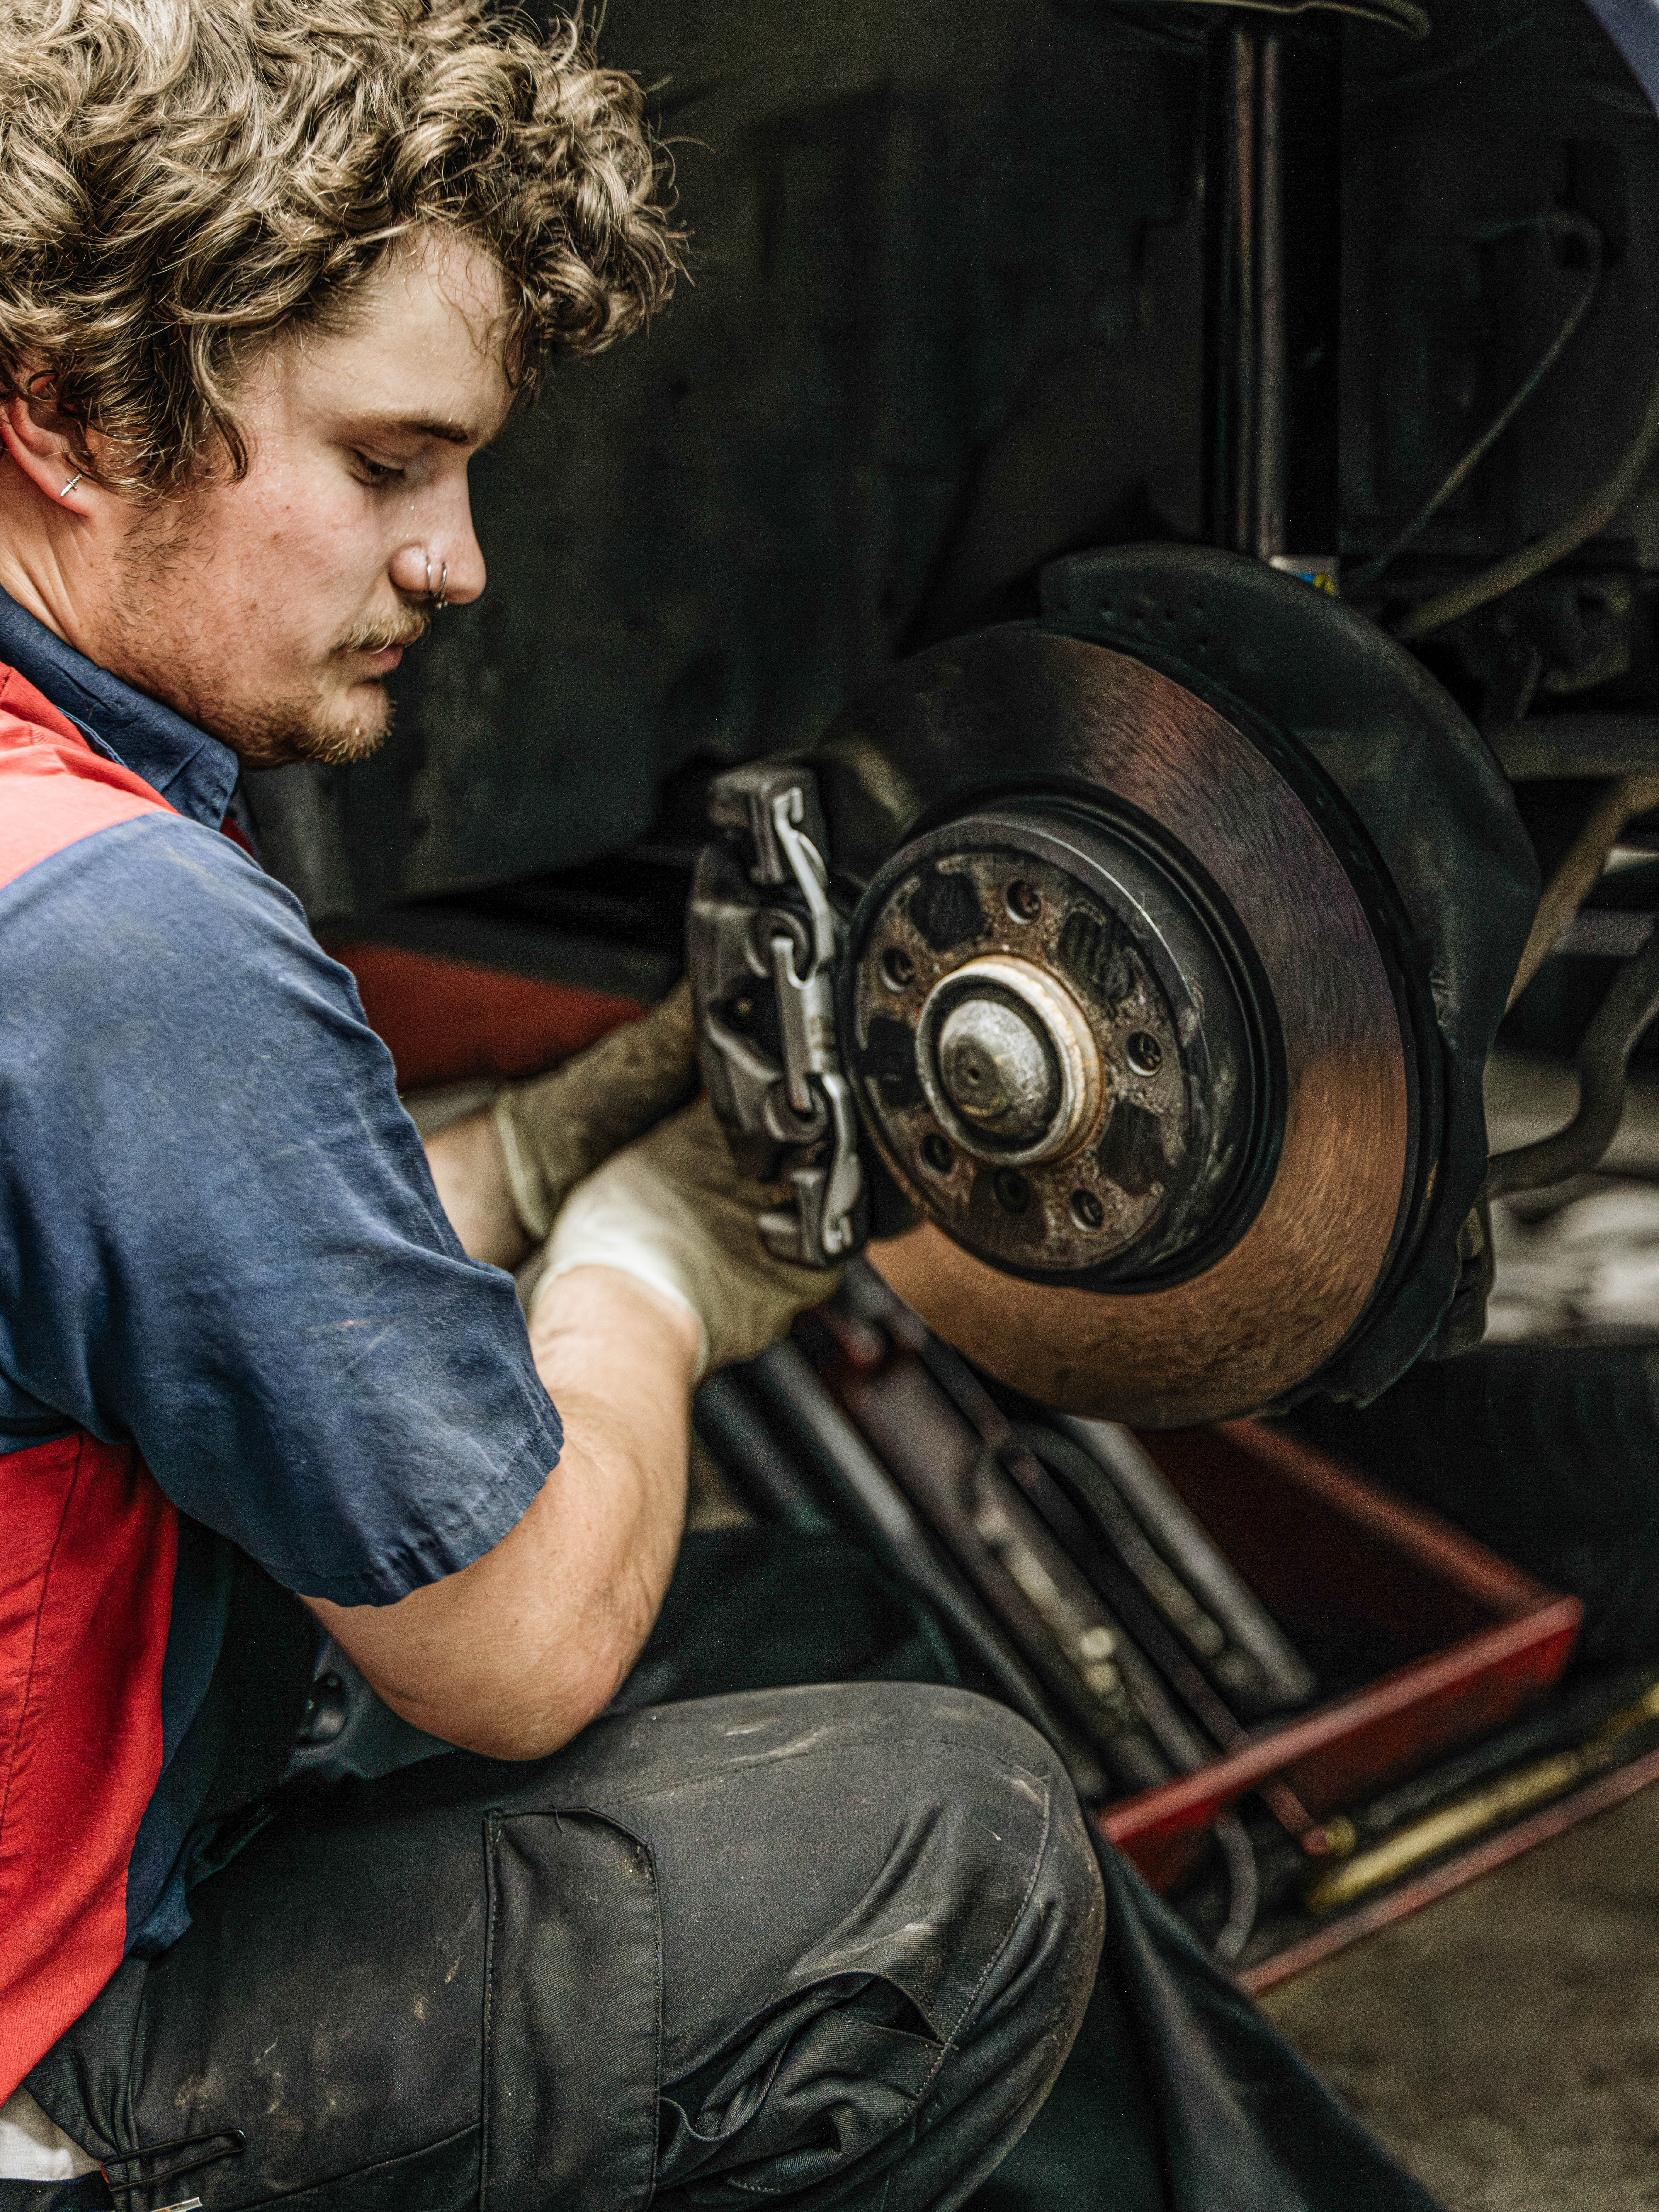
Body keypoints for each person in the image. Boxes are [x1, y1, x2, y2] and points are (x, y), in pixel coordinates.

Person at [0, 3, 1110, 2204]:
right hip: (45, 2040)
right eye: (391, 464)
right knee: (949, 1848)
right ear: (68, 417)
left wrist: (522, 1148)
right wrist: (650, 1271)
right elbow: (517, 1645)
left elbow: (137, 1277)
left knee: (798, 1627)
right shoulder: (118, 940)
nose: (462, 561)